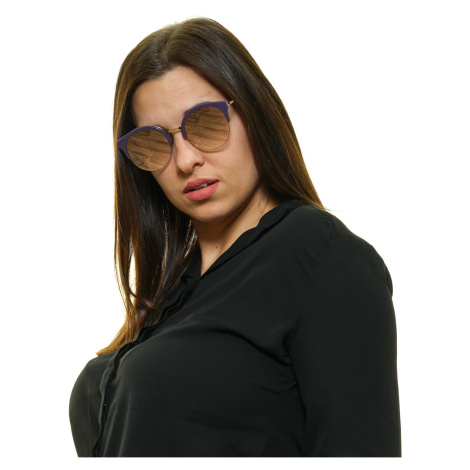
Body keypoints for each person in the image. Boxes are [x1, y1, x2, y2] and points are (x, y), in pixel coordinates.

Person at [69, 17, 401, 457]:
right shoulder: (172, 294)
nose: (185, 160)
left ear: (254, 113)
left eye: (205, 123)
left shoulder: (323, 258)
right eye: (154, 143)